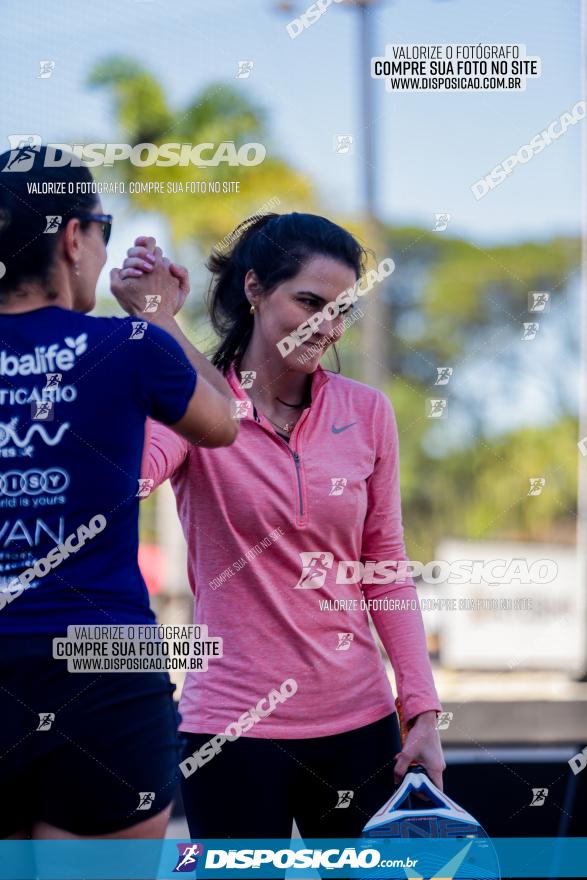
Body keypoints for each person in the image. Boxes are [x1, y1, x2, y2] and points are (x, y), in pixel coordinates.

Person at [114, 212, 445, 842]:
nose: (328, 325)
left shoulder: (367, 412)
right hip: (230, 732)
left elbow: (386, 568)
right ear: (255, 288)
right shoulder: (193, 408)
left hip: (361, 725)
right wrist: (156, 329)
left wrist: (422, 710)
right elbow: (126, 477)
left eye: (341, 309)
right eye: (309, 302)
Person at [0, 146, 238, 843]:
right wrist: (159, 315)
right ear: (73, 237)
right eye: (101, 229)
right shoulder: (128, 345)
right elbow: (223, 420)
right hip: (106, 661)